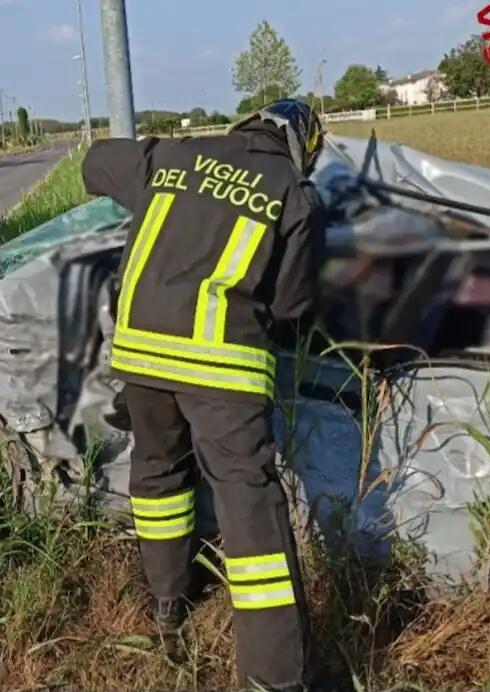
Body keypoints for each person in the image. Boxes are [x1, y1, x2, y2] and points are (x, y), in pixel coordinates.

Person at [81, 99, 326, 690]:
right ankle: (274, 677)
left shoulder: (171, 156)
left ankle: (169, 607)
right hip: (223, 368)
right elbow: (292, 307)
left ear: (246, 126)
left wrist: (153, 170)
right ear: (303, 147)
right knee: (250, 512)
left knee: (159, 473)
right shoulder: (295, 194)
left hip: (141, 355)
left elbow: (93, 162)